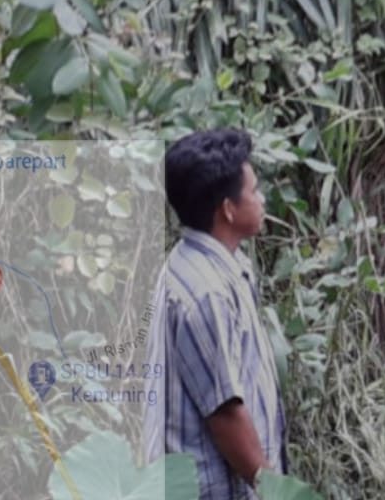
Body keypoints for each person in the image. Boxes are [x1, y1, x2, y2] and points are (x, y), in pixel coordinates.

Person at [141, 129, 288, 499]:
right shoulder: (205, 291)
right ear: (227, 208)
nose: (261, 198)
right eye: (253, 191)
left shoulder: (218, 266)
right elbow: (224, 413)